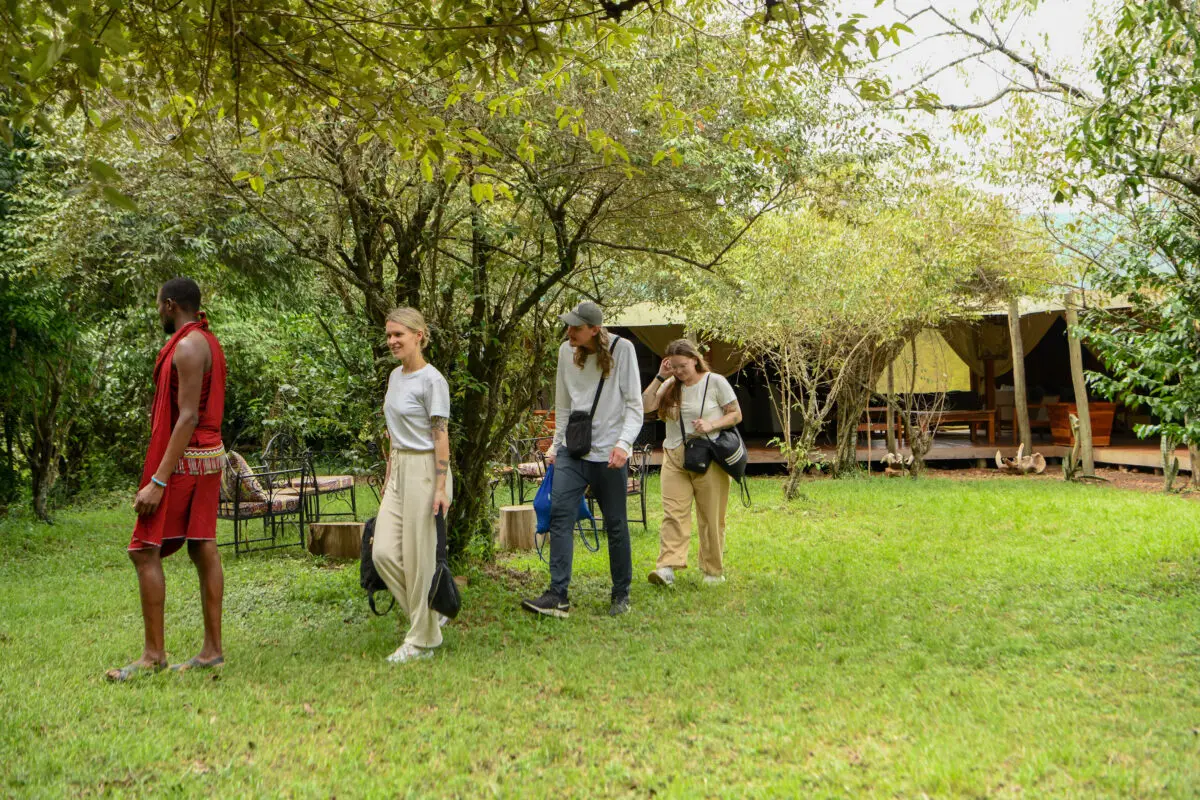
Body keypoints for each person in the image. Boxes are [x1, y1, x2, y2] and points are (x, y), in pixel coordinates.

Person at [106, 277, 228, 681]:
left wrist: (158, 481)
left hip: (187, 462)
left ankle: (153, 655)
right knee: (203, 547)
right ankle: (211, 650)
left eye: (158, 304)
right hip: (208, 457)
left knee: (144, 550)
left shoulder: (190, 346)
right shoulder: (206, 341)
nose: (157, 310)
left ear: (171, 304)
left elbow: (188, 416)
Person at [521, 301, 643, 618]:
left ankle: (621, 595)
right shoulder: (566, 352)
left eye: (576, 327)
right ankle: (557, 595)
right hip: (574, 452)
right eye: (569, 326)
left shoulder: (623, 350)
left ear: (594, 329)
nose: (569, 332)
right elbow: (563, 405)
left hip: (609, 455)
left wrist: (623, 443)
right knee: (560, 515)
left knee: (615, 524)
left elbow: (635, 407)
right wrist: (555, 446)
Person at [372, 307, 453, 664]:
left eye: (398, 335)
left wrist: (439, 486)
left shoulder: (432, 381)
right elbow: (393, 433)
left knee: (421, 560)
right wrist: (390, 474)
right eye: (388, 335)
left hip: (426, 468)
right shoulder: (394, 376)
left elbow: (441, 435)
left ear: (419, 335)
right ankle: (431, 621)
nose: (391, 341)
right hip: (400, 468)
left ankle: (422, 640)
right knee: (384, 553)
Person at [641, 339, 742, 587]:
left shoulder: (715, 381)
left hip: (708, 455)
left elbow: (736, 414)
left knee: (711, 515)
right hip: (675, 455)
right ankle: (667, 568)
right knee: (673, 513)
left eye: (682, 366)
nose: (678, 371)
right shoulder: (670, 384)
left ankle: (712, 571)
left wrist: (712, 424)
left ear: (695, 360)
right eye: (673, 366)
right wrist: (659, 377)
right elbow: (645, 406)